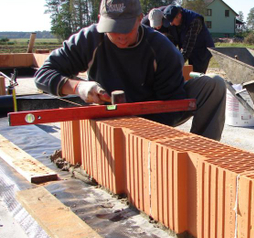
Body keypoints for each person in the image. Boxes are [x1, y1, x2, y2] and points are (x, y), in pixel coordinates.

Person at [34, 0, 226, 141]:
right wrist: (79, 88)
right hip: (109, 113)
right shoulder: (89, 39)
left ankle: (204, 153)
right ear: (100, 20)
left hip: (154, 112)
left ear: (139, 19)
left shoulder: (161, 49)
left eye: (127, 28)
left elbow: (170, 108)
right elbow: (43, 75)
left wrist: (141, 136)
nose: (121, 37)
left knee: (213, 85)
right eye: (113, 29)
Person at [163, 5, 214, 74]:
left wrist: (178, 63)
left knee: (196, 75)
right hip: (190, 49)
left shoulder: (195, 20)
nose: (171, 24)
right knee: (189, 73)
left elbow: (188, 45)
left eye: (172, 21)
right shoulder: (174, 22)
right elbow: (173, 40)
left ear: (179, 15)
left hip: (201, 51)